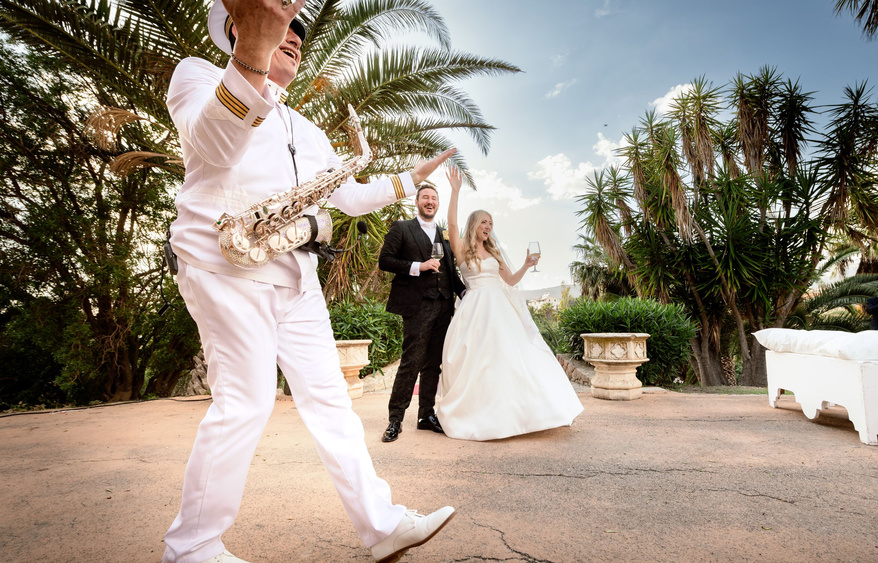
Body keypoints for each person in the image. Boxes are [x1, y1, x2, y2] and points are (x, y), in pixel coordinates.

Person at [162, 1, 456, 561]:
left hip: (296, 276)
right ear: (237, 26)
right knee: (245, 401)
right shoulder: (196, 75)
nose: (295, 33)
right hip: (225, 266)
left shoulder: (308, 129)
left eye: (298, 28)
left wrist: (405, 180)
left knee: (331, 402)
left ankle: (382, 526)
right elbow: (215, 145)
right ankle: (191, 547)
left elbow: (348, 197)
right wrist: (253, 51)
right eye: (282, 23)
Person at [434, 166, 583, 441]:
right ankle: (478, 411)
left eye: (491, 223)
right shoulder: (461, 248)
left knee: (507, 358)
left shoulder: (494, 252)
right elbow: (452, 225)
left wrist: (526, 264)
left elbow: (511, 281)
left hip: (499, 310)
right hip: (473, 310)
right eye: (484, 222)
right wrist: (455, 191)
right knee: (476, 361)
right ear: (474, 224)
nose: (488, 227)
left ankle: (517, 413)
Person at [377, 182, 466, 442]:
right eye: (425, 197)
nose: (430, 201)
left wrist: (468, 294)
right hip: (417, 305)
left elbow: (450, 272)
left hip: (443, 306)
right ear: (417, 202)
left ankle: (426, 415)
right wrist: (419, 266)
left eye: (434, 198)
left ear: (437, 203)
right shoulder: (402, 228)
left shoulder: (443, 235)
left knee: (433, 364)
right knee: (411, 362)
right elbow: (385, 260)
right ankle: (395, 419)